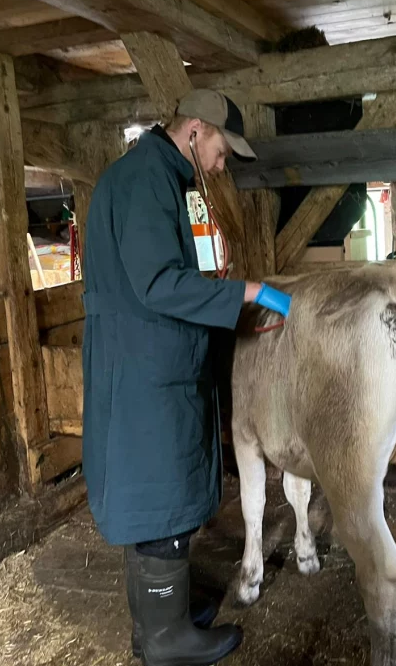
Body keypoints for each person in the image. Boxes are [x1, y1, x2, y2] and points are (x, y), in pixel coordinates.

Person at [81, 88, 291, 666]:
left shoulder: (153, 178)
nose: (222, 166)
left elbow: (160, 279)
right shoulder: (147, 180)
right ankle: (166, 640)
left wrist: (227, 304)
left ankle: (157, 622)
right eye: (222, 152)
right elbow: (158, 283)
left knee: (154, 488)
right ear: (195, 131)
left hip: (143, 356)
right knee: (159, 489)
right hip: (146, 365)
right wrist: (248, 291)